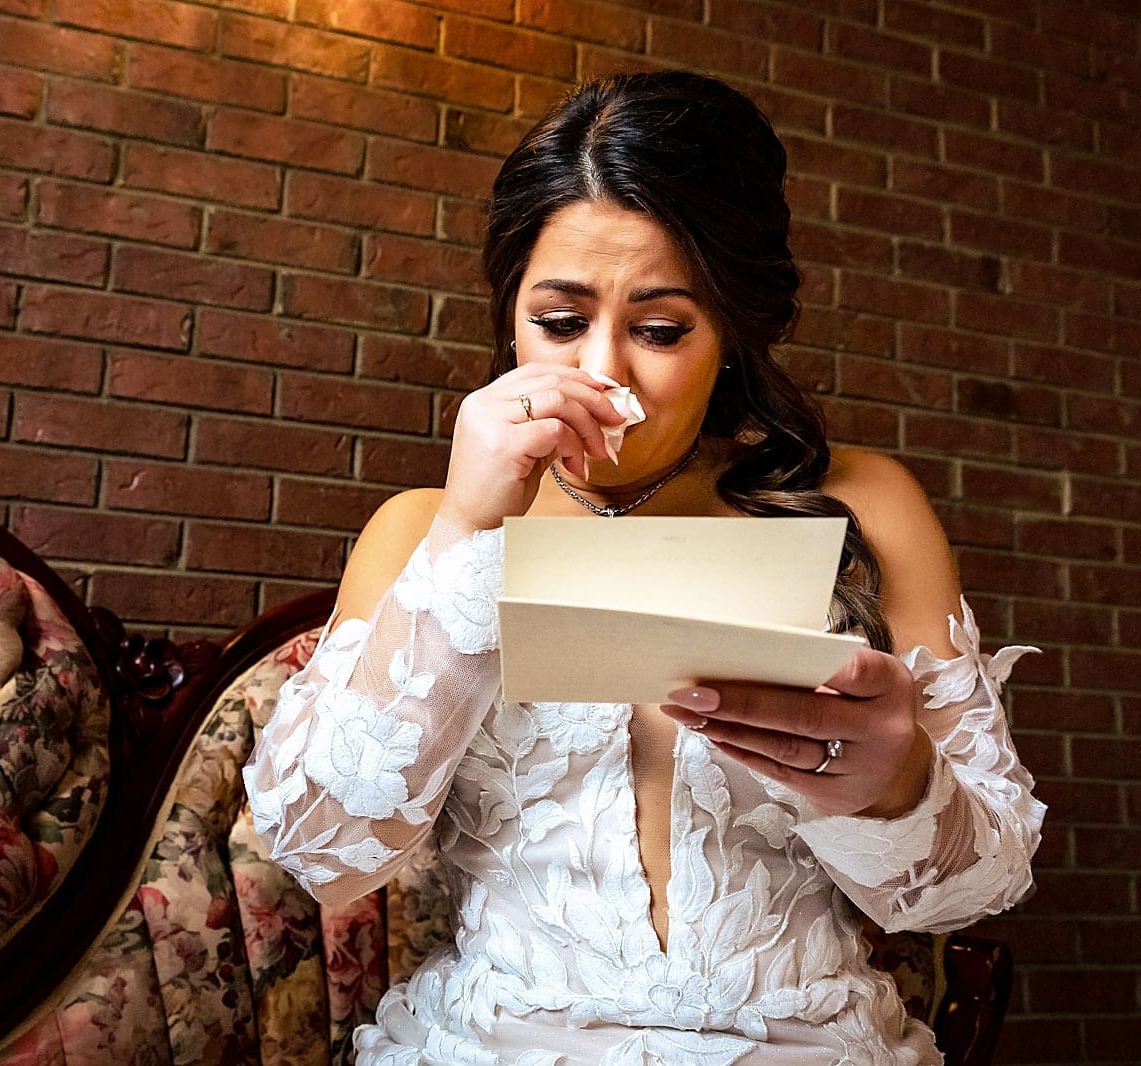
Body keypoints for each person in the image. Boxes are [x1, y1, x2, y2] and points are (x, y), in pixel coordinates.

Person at [242, 70, 1045, 1065]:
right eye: (559, 321)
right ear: (510, 316)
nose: (601, 374)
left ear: (731, 332)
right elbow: (323, 852)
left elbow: (979, 887)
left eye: (660, 329)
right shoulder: (418, 530)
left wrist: (896, 783)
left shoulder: (866, 506)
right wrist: (465, 529)